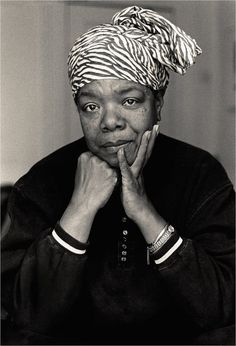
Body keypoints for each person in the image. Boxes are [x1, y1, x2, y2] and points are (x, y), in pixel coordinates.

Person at [1, 5, 235, 345]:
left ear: (158, 102)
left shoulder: (199, 175)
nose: (110, 122)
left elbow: (223, 309)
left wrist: (144, 213)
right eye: (91, 106)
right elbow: (26, 319)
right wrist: (79, 210)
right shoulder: (42, 182)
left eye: (129, 101)